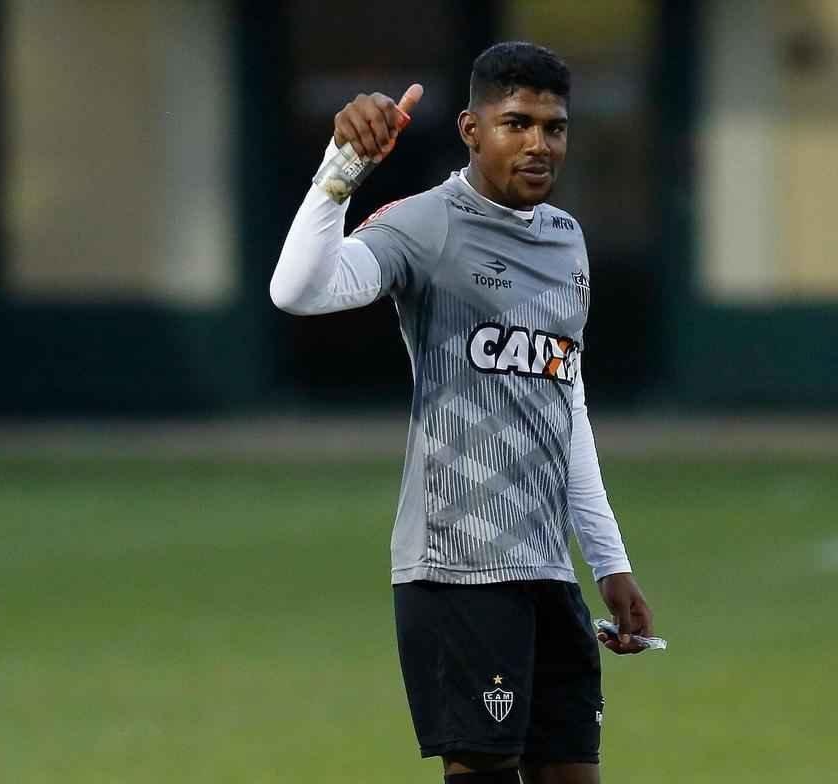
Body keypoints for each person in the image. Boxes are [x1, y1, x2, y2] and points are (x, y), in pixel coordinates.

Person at [269, 41, 654, 784]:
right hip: (458, 568)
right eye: (517, 124)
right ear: (471, 130)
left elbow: (565, 403)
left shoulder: (566, 239)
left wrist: (609, 562)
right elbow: (299, 291)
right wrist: (340, 171)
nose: (539, 144)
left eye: (554, 127)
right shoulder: (426, 224)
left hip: (547, 569)